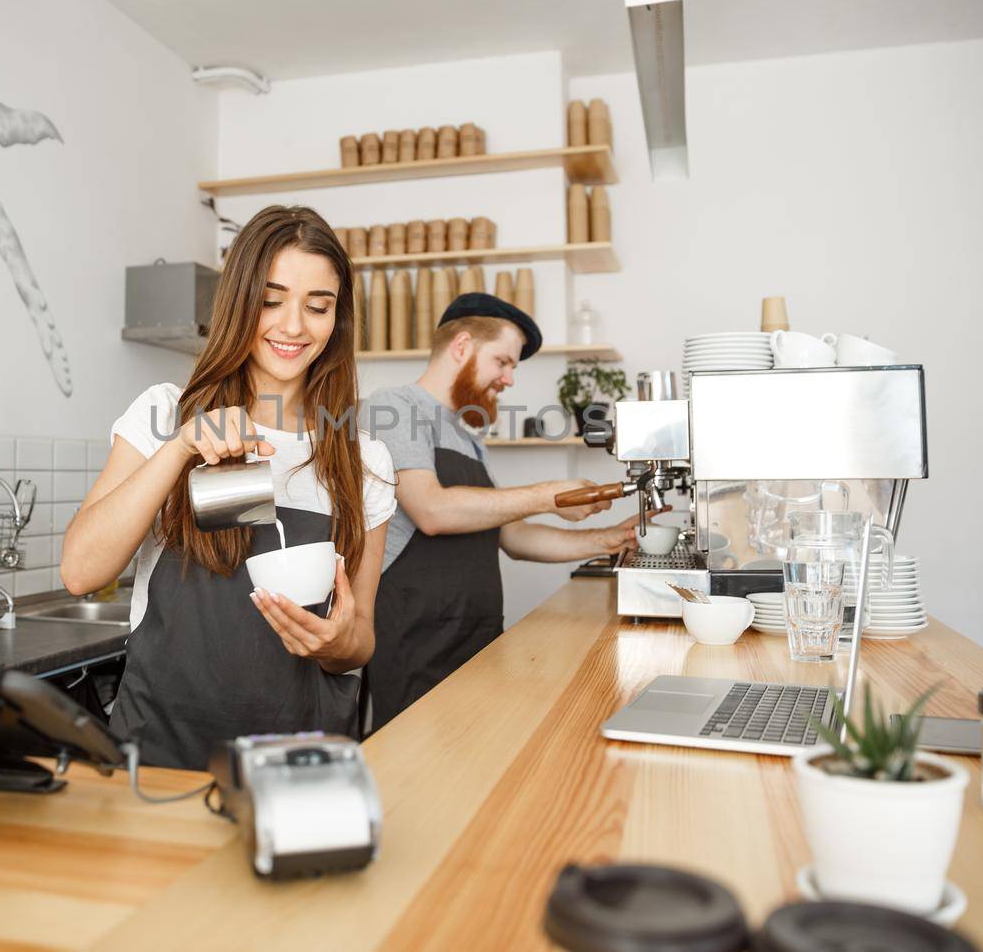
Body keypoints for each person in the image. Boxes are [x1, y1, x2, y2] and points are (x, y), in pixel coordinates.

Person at [61, 206, 395, 770]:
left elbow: (360, 636)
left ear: (337, 321)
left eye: (318, 307)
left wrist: (338, 644)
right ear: (239, 301)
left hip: (299, 760)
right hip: (160, 751)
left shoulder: (363, 458)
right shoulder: (166, 413)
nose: (293, 326)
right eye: (271, 299)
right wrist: (180, 449)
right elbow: (81, 572)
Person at [361, 294, 639, 731]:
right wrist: (548, 494)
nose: (509, 378)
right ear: (462, 346)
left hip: (477, 635)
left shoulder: (468, 436)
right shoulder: (392, 407)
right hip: (415, 639)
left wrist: (608, 539)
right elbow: (431, 509)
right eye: (503, 361)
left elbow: (511, 537)